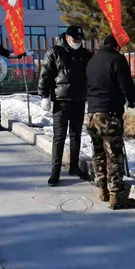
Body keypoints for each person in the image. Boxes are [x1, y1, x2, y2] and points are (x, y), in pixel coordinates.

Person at [86, 34, 135, 210]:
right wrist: (132, 99)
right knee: (114, 155)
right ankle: (116, 196)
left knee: (98, 152)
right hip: (109, 113)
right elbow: (125, 83)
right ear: (117, 46)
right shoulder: (117, 59)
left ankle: (102, 189)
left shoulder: (92, 60)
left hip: (91, 114)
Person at [38, 25, 92, 187]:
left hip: (79, 99)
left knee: (76, 135)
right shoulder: (55, 52)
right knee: (59, 136)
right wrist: (44, 95)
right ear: (67, 37)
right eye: (75, 39)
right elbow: (45, 75)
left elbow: (91, 76)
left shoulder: (85, 54)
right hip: (61, 100)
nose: (78, 42)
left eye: (80, 40)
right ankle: (55, 171)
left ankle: (74, 166)